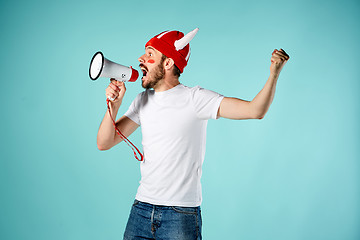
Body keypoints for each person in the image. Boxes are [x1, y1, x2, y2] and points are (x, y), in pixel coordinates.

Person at [96, 28, 289, 240]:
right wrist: (113, 107)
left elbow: (255, 110)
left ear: (168, 63)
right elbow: (104, 142)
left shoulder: (195, 98)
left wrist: (274, 74)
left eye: (150, 54)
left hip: (180, 214)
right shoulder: (142, 100)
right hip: (141, 208)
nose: (141, 58)